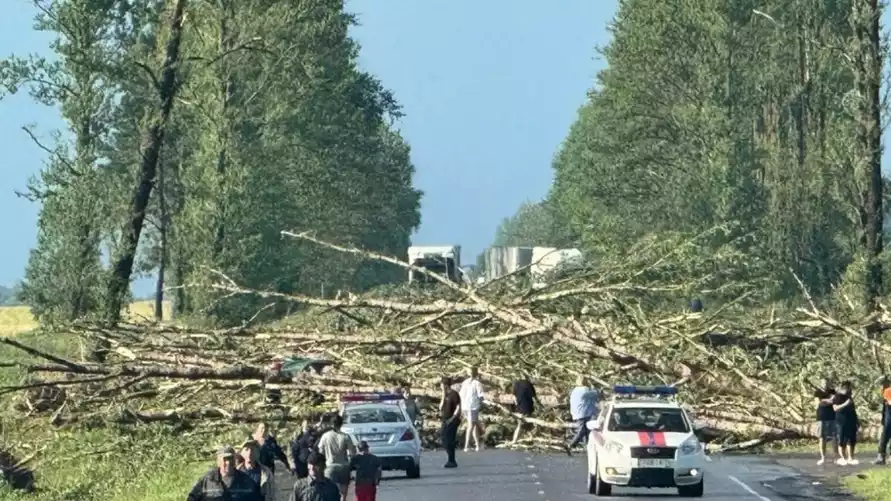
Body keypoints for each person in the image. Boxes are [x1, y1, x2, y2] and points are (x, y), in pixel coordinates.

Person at [187, 446, 263, 501]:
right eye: (225, 459)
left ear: (234, 460)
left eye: (230, 458)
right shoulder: (207, 480)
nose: (228, 462)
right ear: (218, 462)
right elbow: (192, 498)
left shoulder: (247, 482)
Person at [317, 414, 356, 501]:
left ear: (331, 424)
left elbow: (320, 452)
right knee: (343, 493)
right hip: (344, 466)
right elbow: (353, 453)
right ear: (341, 424)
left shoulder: (325, 436)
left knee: (330, 492)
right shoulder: (346, 436)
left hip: (330, 466)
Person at [566, 375, 599, 455]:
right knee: (582, 430)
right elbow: (595, 395)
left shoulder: (574, 390)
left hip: (576, 412)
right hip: (583, 413)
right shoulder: (584, 390)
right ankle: (570, 445)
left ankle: (587, 447)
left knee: (586, 430)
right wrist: (594, 387)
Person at [833, 380, 860, 466]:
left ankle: (850, 458)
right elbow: (835, 408)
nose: (850, 389)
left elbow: (853, 409)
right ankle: (842, 458)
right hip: (841, 421)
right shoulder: (838, 396)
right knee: (841, 440)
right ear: (845, 387)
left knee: (851, 440)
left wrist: (857, 421)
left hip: (851, 420)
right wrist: (845, 404)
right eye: (849, 387)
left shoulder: (849, 397)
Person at [458, 366, 485, 451]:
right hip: (472, 407)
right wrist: (482, 403)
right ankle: (466, 446)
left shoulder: (465, 382)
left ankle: (477, 445)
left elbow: (461, 395)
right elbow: (481, 396)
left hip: (465, 407)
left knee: (474, 425)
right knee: (471, 426)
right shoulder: (477, 383)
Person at [510, 374, 540, 445]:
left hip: (519, 407)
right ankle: (518, 440)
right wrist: (539, 405)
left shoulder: (517, 383)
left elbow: (514, 396)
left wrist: (516, 404)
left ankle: (517, 439)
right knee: (525, 424)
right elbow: (534, 397)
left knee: (522, 424)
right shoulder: (528, 384)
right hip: (527, 407)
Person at [439, 375, 462, 468]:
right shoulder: (445, 395)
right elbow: (440, 407)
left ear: (445, 385)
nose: (440, 387)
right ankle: (450, 459)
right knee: (444, 439)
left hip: (452, 420)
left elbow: (459, 407)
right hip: (445, 420)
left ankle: (452, 460)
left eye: (441, 385)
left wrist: (452, 419)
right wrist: (443, 395)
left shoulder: (454, 394)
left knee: (449, 440)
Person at [813, 377, 836, 465]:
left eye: (826, 383)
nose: (825, 384)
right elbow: (819, 403)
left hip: (832, 416)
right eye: (823, 383)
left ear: (828, 383)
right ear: (821, 383)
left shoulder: (832, 391)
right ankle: (823, 457)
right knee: (822, 437)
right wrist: (828, 400)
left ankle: (835, 457)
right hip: (821, 417)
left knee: (834, 437)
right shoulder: (818, 392)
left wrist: (825, 401)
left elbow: (835, 401)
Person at [875, 377, 891, 464]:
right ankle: (881, 457)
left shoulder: (887, 390)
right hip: (888, 419)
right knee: (884, 437)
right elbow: (889, 403)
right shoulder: (887, 392)